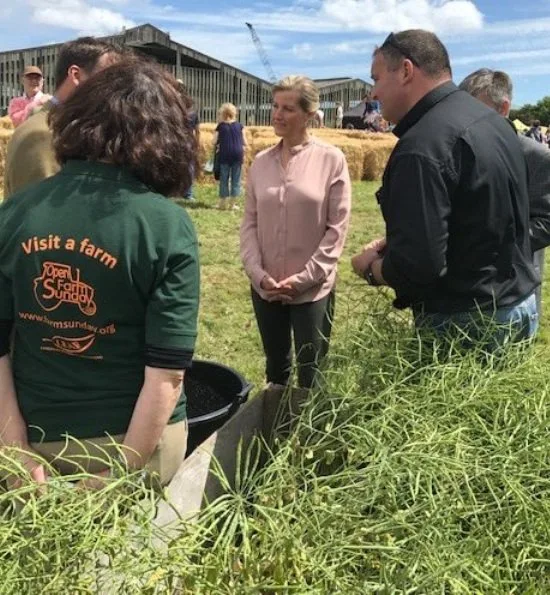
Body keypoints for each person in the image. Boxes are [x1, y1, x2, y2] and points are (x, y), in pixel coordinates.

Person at [0, 58, 200, 488]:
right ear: (165, 137)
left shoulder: (13, 213)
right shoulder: (167, 224)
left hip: (34, 441)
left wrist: (14, 451)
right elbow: (167, 374)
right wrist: (117, 476)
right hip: (136, 445)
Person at [351, 30, 538, 350]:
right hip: (519, 306)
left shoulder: (422, 145)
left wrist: (370, 268)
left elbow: (420, 266)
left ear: (407, 71)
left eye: (377, 78)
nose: (374, 93)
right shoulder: (491, 122)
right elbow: (480, 211)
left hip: (466, 325)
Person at [240, 75, 351, 389]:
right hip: (267, 287)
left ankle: (307, 435)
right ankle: (275, 428)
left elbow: (336, 230)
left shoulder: (332, 160)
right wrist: (257, 272)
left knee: (311, 373)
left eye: (288, 108)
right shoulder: (260, 163)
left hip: (312, 291)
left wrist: (304, 278)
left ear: (309, 114)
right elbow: (249, 222)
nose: (277, 114)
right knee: (276, 369)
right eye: (275, 106)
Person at [459, 68, 550, 316]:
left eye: (476, 110)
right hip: (466, 287)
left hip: (513, 289)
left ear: (503, 108)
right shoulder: (461, 149)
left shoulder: (536, 156)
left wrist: (494, 243)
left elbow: (546, 222)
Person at [4, 37, 124, 200]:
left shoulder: (66, 127)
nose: (117, 87)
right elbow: (44, 215)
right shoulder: (43, 135)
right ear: (76, 75)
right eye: (108, 78)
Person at [212, 102, 247, 210]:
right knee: (236, 179)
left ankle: (222, 204)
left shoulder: (220, 126)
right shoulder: (240, 126)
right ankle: (232, 204)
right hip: (237, 154)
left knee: (224, 179)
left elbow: (213, 141)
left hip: (224, 155)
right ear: (234, 113)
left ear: (222, 114)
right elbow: (245, 142)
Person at [177, 79, 200, 202]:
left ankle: (181, 191)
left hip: (178, 139)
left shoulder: (175, 108)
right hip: (188, 140)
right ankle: (188, 193)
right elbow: (198, 130)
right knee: (189, 166)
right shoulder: (192, 112)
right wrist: (197, 141)